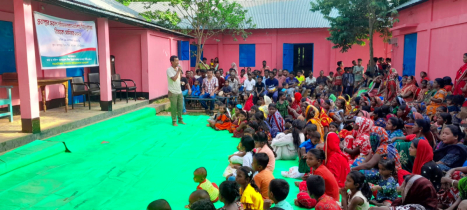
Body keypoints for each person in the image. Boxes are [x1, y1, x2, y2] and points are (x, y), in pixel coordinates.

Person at [370, 176, 438, 210]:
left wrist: (375, 208)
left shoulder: (418, 207)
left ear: (414, 191)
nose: (401, 190)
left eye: (404, 188)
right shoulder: (401, 201)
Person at [166, 55, 186, 126]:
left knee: (180, 106)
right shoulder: (169, 70)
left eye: (178, 60)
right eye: (176, 61)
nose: (178, 62)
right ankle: (174, 121)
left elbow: (178, 78)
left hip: (179, 91)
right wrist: (178, 71)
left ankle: (180, 119)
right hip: (172, 92)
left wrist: (179, 72)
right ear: (172, 62)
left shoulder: (177, 69)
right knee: (174, 107)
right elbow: (174, 79)